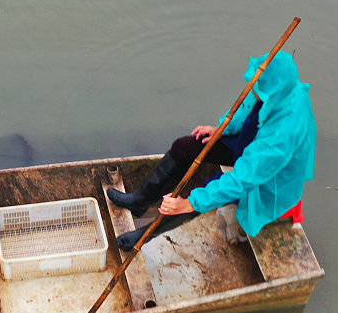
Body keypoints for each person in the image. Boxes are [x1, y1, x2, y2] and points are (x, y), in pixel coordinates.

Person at [107, 51, 315, 251]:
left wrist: (189, 204)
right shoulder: (273, 89)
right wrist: (222, 129)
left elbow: (245, 178)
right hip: (250, 142)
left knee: (196, 193)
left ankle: (146, 234)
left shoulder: (284, 131)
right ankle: (140, 200)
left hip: (267, 174)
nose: (252, 89)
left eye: (258, 88)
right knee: (185, 147)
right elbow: (246, 109)